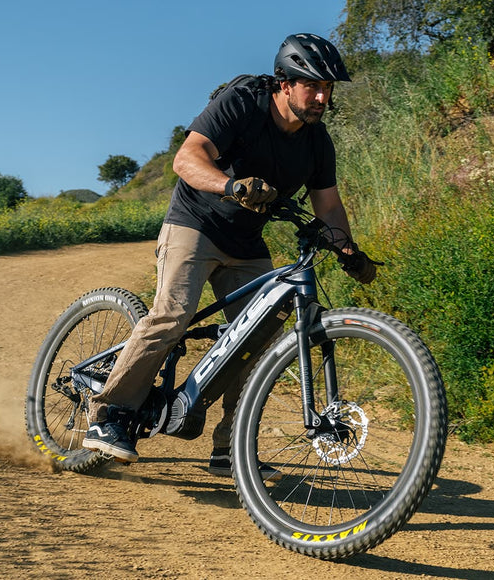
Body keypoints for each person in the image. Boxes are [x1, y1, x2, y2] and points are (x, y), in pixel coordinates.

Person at [82, 33, 378, 478]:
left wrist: (349, 251)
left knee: (258, 336)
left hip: (247, 241)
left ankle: (230, 448)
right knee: (173, 315)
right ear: (284, 83)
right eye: (312, 86)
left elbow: (329, 205)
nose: (322, 97)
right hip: (195, 224)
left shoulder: (317, 142)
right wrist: (230, 185)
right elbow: (187, 158)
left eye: (328, 87)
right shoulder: (242, 103)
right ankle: (109, 416)